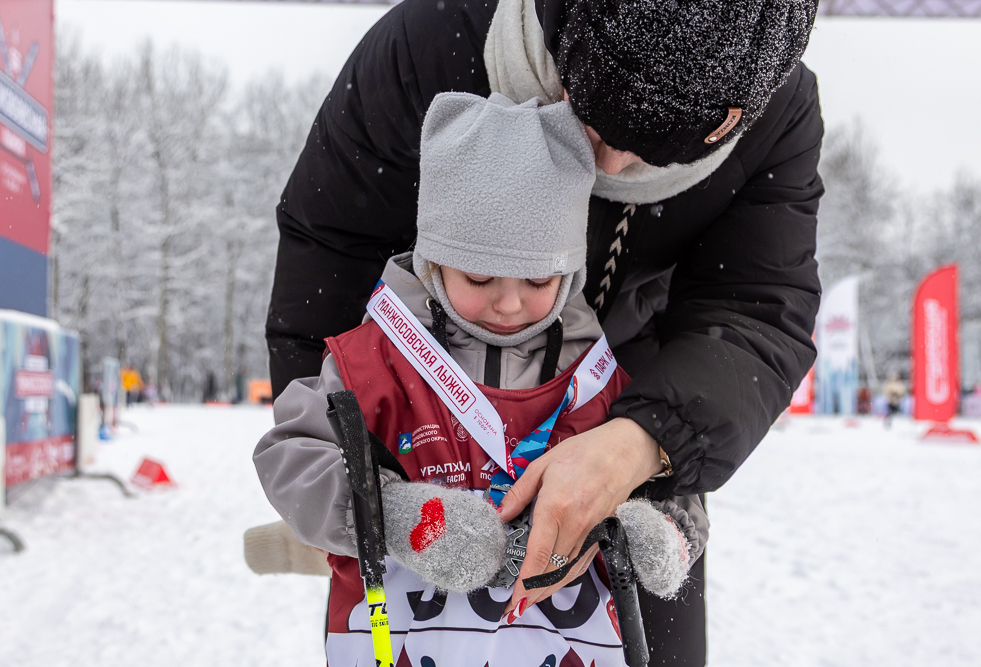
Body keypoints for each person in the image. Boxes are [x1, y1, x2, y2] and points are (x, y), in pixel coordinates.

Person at [266, 0, 822, 661]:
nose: (609, 170)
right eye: (593, 116)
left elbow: (756, 304)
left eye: (651, 148)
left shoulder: (776, 110)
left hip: (637, 400)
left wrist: (645, 447)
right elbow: (326, 264)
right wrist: (368, 502)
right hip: (421, 441)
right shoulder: (430, 44)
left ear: (732, 116)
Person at [254, 93, 708, 666]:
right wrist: (396, 515)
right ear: (432, 260)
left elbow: (678, 492)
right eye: (479, 275)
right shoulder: (373, 364)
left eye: (540, 279)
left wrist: (654, 534)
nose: (511, 303)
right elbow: (290, 456)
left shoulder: (602, 380)